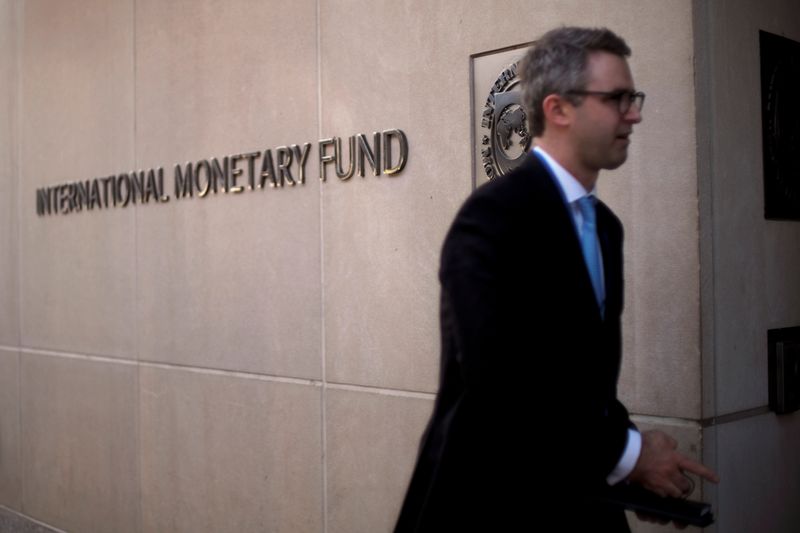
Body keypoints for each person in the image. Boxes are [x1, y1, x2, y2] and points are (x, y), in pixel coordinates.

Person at [394, 27, 719, 532]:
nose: (633, 114)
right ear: (559, 109)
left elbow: (582, 385)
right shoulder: (491, 218)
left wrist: (632, 474)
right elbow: (501, 390)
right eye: (616, 99)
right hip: (490, 508)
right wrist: (632, 454)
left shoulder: (605, 227)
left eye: (633, 98)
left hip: (579, 506)